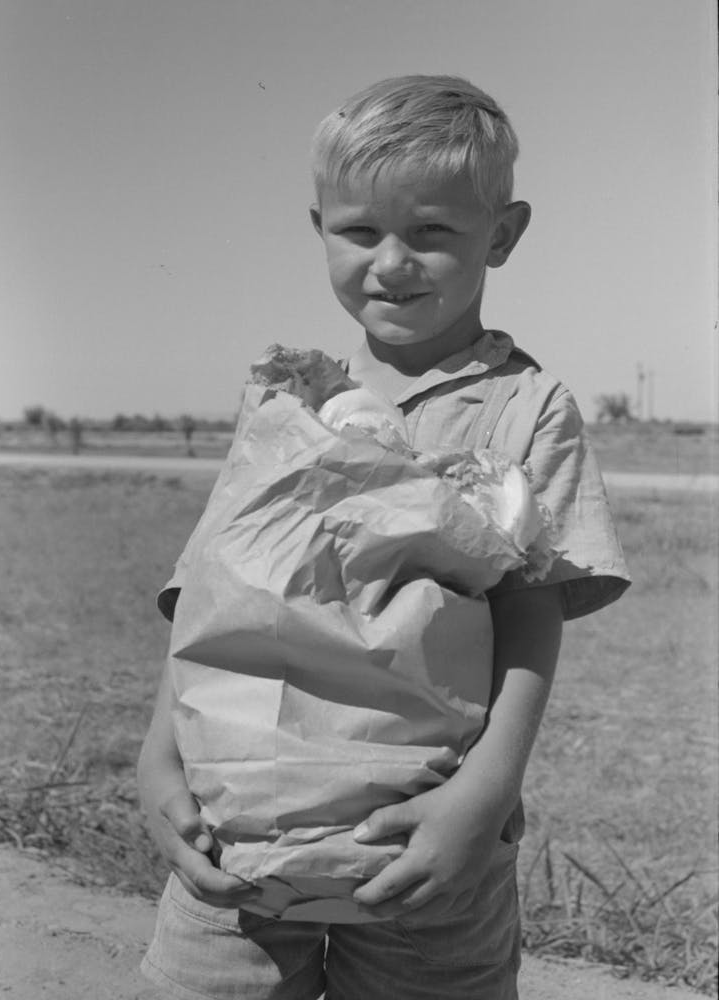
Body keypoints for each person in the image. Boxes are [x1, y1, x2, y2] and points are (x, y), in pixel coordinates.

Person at [137, 74, 630, 1000]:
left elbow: (534, 617)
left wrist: (479, 801)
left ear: (504, 233)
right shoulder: (285, 398)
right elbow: (215, 585)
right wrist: (159, 752)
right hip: (237, 823)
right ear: (318, 226)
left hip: (426, 839)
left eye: (433, 232)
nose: (392, 263)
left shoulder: (528, 409)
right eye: (360, 232)